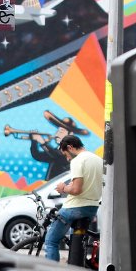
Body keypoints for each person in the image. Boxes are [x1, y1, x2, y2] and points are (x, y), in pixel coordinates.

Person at [44, 134, 102, 263]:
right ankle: (76, 263)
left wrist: (63, 188)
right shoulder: (97, 159)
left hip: (75, 208)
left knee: (51, 240)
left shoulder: (78, 160)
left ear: (70, 147)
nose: (67, 159)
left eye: (66, 154)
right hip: (92, 208)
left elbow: (76, 190)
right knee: (75, 241)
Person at [29, 110, 90, 180]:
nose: (57, 134)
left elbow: (59, 158)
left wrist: (43, 143)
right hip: (52, 186)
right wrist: (34, 141)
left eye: (61, 132)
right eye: (58, 131)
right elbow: (37, 156)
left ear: (70, 134)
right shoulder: (56, 150)